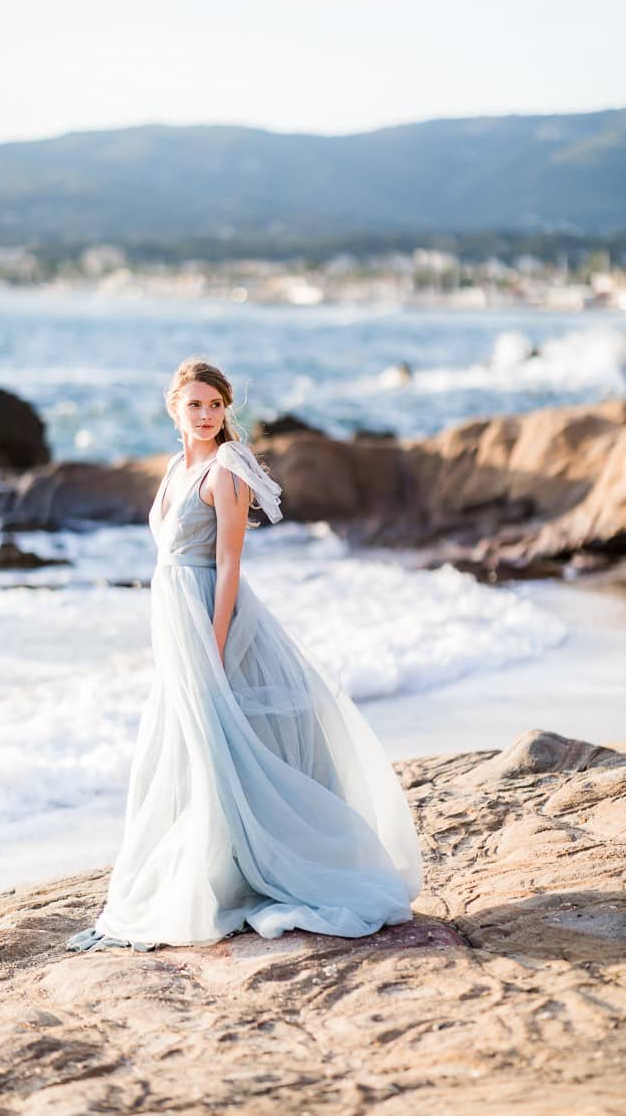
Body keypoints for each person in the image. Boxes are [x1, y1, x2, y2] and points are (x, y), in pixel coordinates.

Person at [66, 358, 421, 952]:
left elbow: (228, 564)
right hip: (173, 617)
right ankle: (198, 872)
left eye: (215, 405)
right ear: (174, 409)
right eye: (195, 405)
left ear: (226, 410)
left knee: (214, 744)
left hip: (207, 615)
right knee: (182, 745)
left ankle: (247, 873)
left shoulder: (227, 470)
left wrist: (216, 644)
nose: (206, 416)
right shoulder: (178, 466)